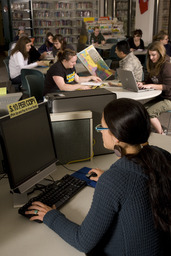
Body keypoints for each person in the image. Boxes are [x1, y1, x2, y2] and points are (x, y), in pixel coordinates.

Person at [25, 98, 171, 256]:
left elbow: (83, 241)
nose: (100, 131)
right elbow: (138, 186)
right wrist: (109, 181)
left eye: (102, 127)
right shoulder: (161, 155)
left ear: (116, 137)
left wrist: (50, 216)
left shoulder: (115, 179)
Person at [138, 41, 171, 134]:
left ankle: (161, 134)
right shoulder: (153, 64)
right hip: (161, 97)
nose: (151, 58)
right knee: (141, 110)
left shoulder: (167, 66)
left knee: (149, 113)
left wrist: (151, 85)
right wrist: (142, 83)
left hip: (169, 99)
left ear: (160, 54)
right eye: (150, 55)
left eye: (154, 55)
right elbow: (149, 81)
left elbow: (168, 86)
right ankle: (153, 129)